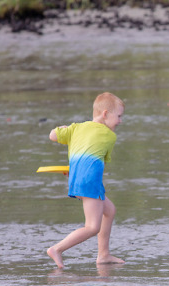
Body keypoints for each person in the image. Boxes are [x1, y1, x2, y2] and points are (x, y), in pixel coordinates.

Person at [47, 92, 125, 269]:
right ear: (105, 114)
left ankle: (103, 254)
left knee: (110, 210)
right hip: (90, 182)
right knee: (92, 227)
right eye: (118, 116)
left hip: (78, 179)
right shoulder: (109, 136)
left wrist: (62, 128)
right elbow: (101, 162)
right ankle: (57, 249)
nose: (120, 121)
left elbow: (52, 136)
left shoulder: (76, 128)